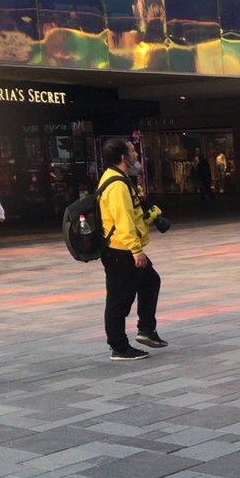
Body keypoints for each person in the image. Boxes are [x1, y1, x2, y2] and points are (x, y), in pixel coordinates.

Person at [98, 138, 167, 361]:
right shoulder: (117, 185)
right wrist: (136, 251)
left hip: (124, 247)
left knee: (150, 281)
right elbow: (123, 221)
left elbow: (133, 218)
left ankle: (146, 330)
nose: (136, 155)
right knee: (119, 299)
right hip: (121, 250)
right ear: (122, 157)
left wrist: (148, 219)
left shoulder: (120, 180)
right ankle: (118, 346)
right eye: (132, 151)